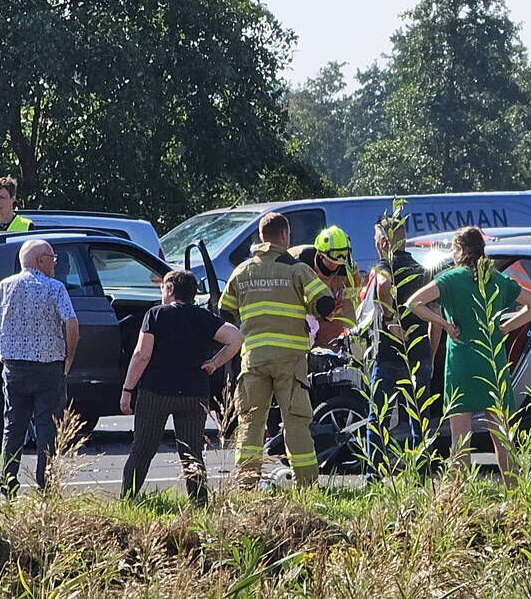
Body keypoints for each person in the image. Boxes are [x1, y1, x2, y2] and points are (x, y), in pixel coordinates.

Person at [406, 226, 531, 482]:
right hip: (492, 360)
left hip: (461, 361)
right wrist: (505, 327)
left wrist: (446, 325)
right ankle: (514, 493)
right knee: (502, 436)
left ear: (459, 250)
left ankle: (457, 498)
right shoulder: (497, 279)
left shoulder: (450, 278)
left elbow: (413, 302)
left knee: (461, 438)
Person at [219, 212, 336, 488]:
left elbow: (224, 313)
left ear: (261, 237)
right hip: (289, 360)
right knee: (295, 422)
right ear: (285, 236)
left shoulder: (242, 271)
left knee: (250, 423)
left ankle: (245, 486)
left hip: (254, 359)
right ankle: (306, 486)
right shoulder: (296, 269)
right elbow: (326, 306)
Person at [119, 271, 242, 504]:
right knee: (191, 452)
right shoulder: (204, 317)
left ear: (171, 289)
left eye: (163, 288)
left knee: (143, 449)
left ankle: (128, 499)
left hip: (156, 391)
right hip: (194, 392)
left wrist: (127, 389)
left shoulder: (155, 314)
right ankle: (199, 503)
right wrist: (214, 363)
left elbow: (142, 355)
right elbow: (235, 337)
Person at [0, 240, 78, 496]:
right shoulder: (54, 288)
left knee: (14, 425)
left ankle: (8, 483)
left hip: (14, 367)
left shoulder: (4, 287)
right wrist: (69, 357)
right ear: (40, 260)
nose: (55, 263)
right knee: (48, 428)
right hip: (48, 367)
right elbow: (72, 323)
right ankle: (46, 485)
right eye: (53, 258)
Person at [364, 213, 432, 481]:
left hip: (391, 354)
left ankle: (374, 476)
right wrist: (429, 349)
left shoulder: (384, 265)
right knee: (419, 417)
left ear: (383, 241)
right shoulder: (420, 268)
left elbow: (383, 285)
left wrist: (391, 319)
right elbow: (432, 315)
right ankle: (421, 477)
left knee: (379, 416)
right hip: (420, 351)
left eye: (374, 238)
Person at [289, 226, 358, 347]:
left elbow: (353, 299)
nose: (334, 266)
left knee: (337, 342)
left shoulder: (348, 268)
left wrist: (339, 307)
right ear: (320, 254)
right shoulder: (300, 261)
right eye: (330, 261)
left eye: (339, 262)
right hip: (306, 313)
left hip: (332, 315)